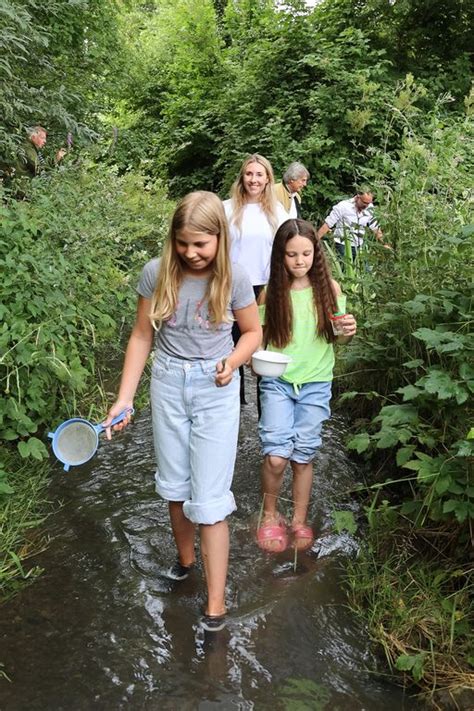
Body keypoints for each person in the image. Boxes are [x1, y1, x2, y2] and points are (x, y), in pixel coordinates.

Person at [103, 191, 261, 631]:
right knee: (175, 487)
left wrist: (232, 362)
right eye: (182, 243)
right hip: (168, 384)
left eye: (201, 244)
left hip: (215, 386)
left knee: (209, 501)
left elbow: (252, 333)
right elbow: (141, 337)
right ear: (172, 239)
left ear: (219, 240)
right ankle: (186, 561)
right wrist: (124, 397)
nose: (191, 253)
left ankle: (214, 607)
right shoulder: (156, 274)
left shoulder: (236, 278)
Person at [256, 218, 357, 553]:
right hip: (277, 381)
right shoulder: (272, 293)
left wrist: (347, 332)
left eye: (306, 253)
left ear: (316, 253)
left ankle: (298, 520)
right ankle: (269, 514)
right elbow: (256, 337)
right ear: (280, 257)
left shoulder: (331, 290)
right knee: (276, 457)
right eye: (291, 255)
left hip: (316, 381)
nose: (299, 261)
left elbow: (337, 338)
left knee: (303, 456)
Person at [223, 153, 288, 403]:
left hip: (266, 288)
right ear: (242, 177)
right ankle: (233, 409)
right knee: (232, 350)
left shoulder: (278, 212)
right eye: (249, 174)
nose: (254, 179)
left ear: (268, 179)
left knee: (263, 352)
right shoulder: (226, 208)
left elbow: (287, 250)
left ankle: (267, 415)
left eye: (259, 174)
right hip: (231, 287)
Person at [316, 189, 390, 261]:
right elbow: (328, 224)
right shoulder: (343, 206)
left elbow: (375, 227)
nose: (366, 206)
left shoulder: (370, 208)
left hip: (359, 245)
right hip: (343, 244)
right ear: (357, 197)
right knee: (346, 269)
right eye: (364, 202)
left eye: (368, 203)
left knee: (365, 270)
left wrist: (384, 243)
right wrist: (315, 241)